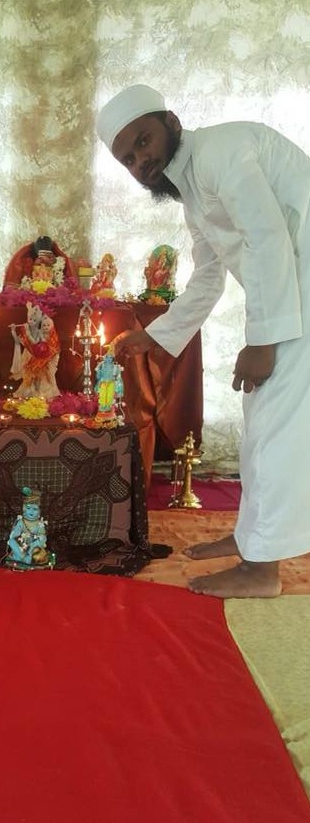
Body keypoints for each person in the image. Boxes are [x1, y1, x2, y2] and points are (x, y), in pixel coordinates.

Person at [97, 83, 310, 599]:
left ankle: (261, 569)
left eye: (143, 142)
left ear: (170, 121)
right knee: (261, 419)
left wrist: (262, 339)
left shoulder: (219, 151)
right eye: (128, 159)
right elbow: (208, 276)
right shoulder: (189, 189)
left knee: (277, 421)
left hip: (299, 291)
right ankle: (250, 541)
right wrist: (152, 336)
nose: (140, 161)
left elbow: (267, 238)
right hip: (293, 292)